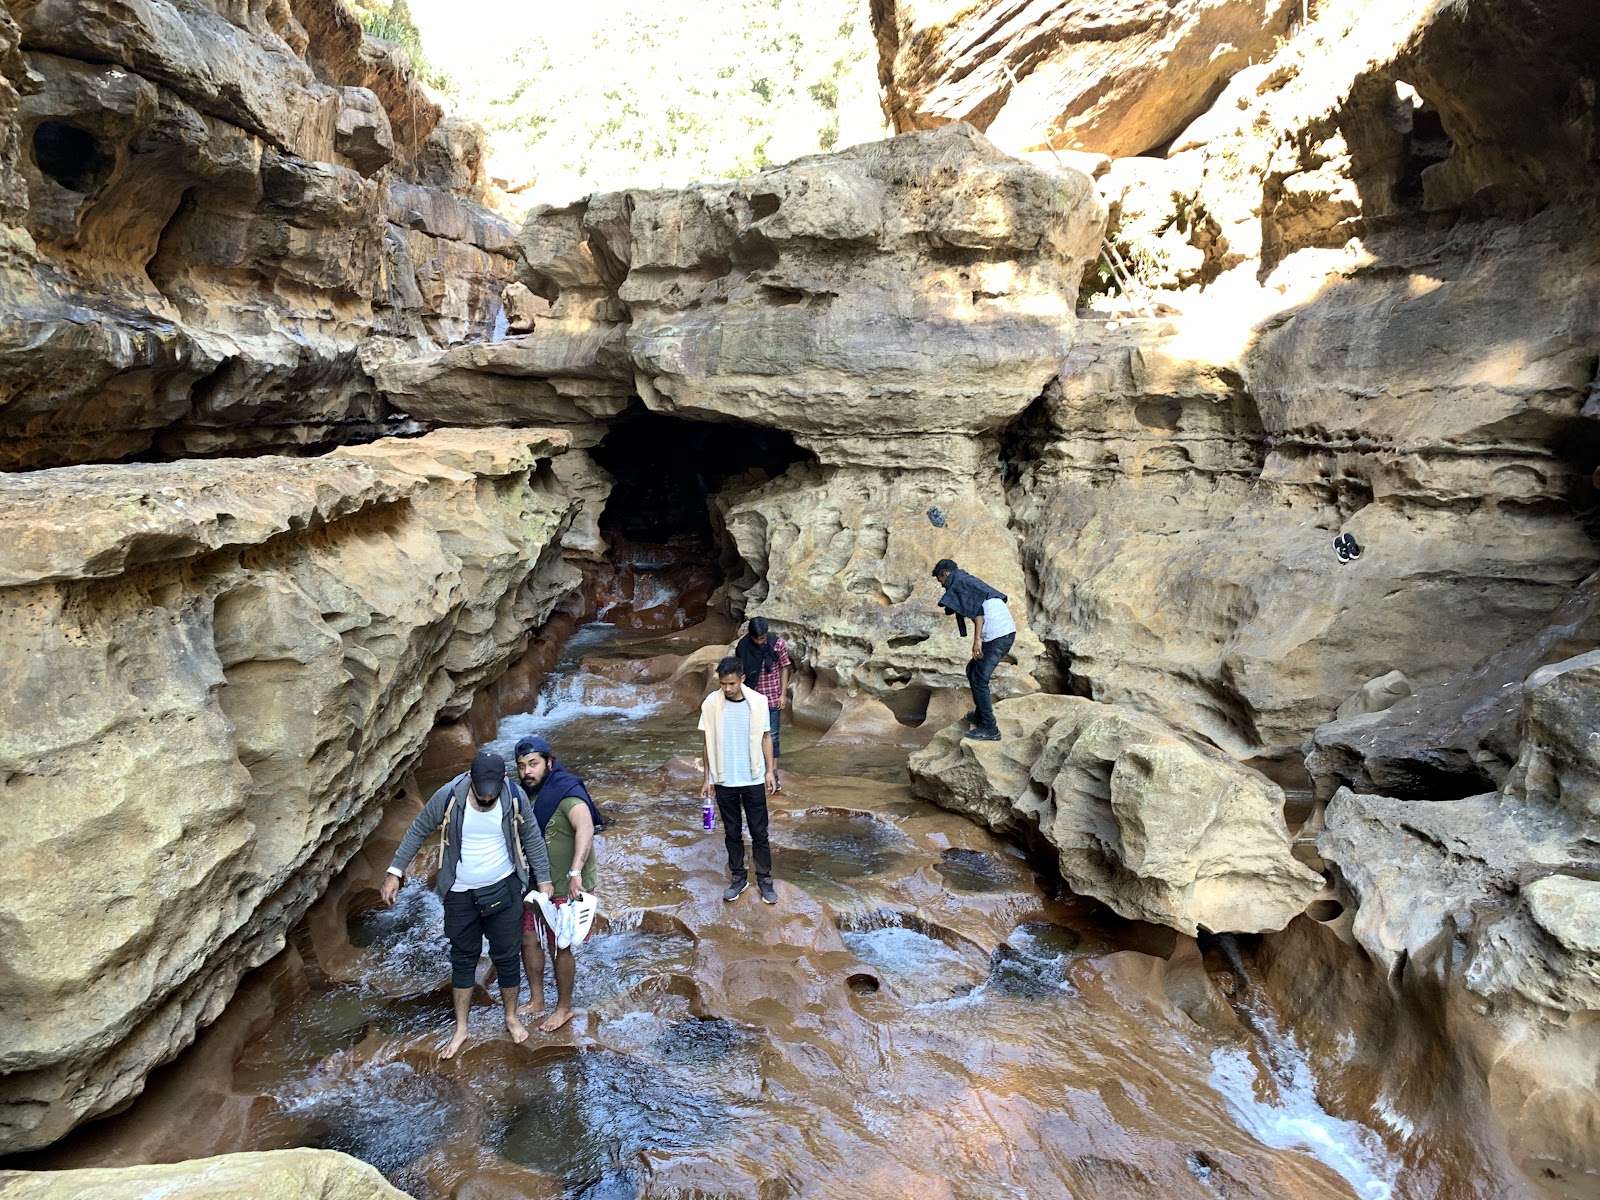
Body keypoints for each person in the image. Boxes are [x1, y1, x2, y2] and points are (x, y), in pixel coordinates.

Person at [381, 749, 553, 1058]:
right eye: (482, 794)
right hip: (460, 894)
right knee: (463, 958)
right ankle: (461, 1028)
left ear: (502, 780)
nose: (487, 799)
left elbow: (532, 838)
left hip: (504, 888)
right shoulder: (449, 796)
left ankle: (511, 1018)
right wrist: (395, 872)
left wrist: (544, 880)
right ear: (471, 778)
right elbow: (418, 829)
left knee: (506, 957)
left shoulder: (513, 796)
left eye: (492, 794)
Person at [513, 735, 602, 1033]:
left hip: (568, 885)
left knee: (559, 946)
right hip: (536, 884)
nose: (528, 771)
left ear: (549, 763)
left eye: (534, 764)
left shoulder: (566, 792)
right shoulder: (522, 796)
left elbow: (586, 828)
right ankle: (537, 999)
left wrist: (575, 871)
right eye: (522, 765)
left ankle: (563, 1007)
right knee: (528, 939)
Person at [699, 656, 777, 904]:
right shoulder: (711, 704)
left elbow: (766, 737)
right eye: (723, 684)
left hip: (752, 777)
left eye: (732, 683)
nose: (727, 689)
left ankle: (764, 879)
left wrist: (769, 771)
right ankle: (738, 878)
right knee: (732, 832)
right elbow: (706, 742)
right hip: (724, 779)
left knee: (759, 832)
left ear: (742, 679)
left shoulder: (758, 702)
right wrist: (707, 778)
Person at [932, 557, 1017, 742]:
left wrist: (977, 640)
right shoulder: (966, 581)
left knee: (979, 679)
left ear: (945, 574)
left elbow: (979, 612)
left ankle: (990, 727)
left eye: (941, 581)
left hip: (998, 635)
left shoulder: (961, 582)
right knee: (972, 669)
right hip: (999, 633)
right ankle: (980, 714)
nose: (942, 586)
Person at [734, 616, 791, 784]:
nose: (759, 642)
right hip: (751, 698)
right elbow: (739, 673)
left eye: (762, 638)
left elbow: (784, 667)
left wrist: (782, 694)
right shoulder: (743, 647)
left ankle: (773, 771)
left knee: (772, 735)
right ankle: (755, 770)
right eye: (756, 639)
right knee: (751, 735)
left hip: (772, 696)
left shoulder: (777, 644)